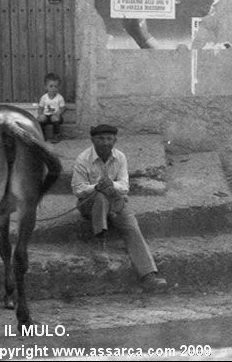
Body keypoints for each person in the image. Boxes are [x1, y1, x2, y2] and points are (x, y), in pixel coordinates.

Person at [71, 124, 167, 293]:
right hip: (89, 204)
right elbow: (78, 188)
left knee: (132, 227)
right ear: (92, 140)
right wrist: (96, 187)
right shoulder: (82, 159)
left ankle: (148, 276)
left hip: (116, 201)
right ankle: (101, 242)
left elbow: (124, 185)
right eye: (100, 139)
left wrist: (111, 185)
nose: (105, 143)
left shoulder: (120, 157)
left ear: (115, 140)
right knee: (100, 197)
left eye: (109, 139)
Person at [37, 73, 66, 142]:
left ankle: (56, 136)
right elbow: (40, 108)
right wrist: (40, 115)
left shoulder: (60, 98)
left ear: (58, 87)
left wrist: (58, 114)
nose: (53, 88)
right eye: (51, 86)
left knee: (55, 119)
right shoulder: (44, 98)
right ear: (46, 87)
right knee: (41, 120)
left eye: (55, 86)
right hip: (46, 116)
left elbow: (63, 108)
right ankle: (42, 135)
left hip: (55, 115)